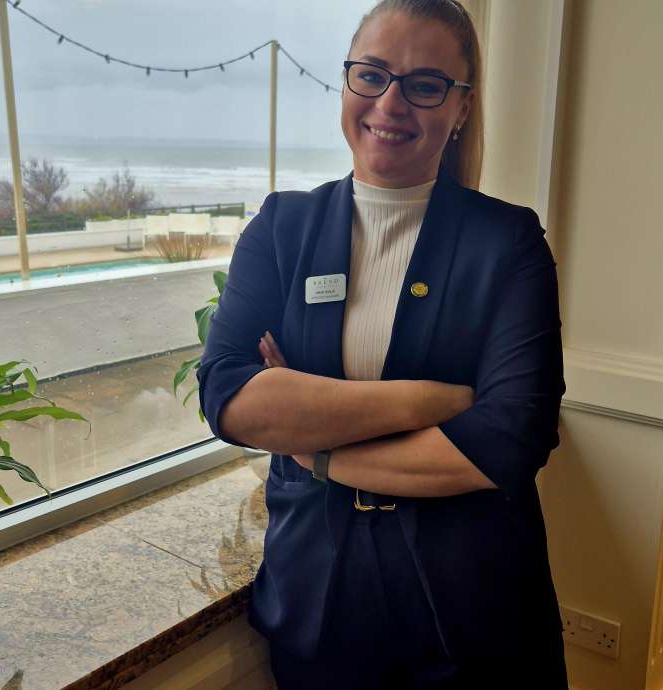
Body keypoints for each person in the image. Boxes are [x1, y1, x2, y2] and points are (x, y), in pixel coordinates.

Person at [197, 0, 568, 686]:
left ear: (461, 107)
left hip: (471, 609)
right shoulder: (282, 228)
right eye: (371, 75)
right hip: (319, 600)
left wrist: (314, 448)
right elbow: (228, 398)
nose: (390, 103)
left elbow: (512, 438)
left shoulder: (507, 242)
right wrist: (434, 401)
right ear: (346, 82)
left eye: (425, 85)